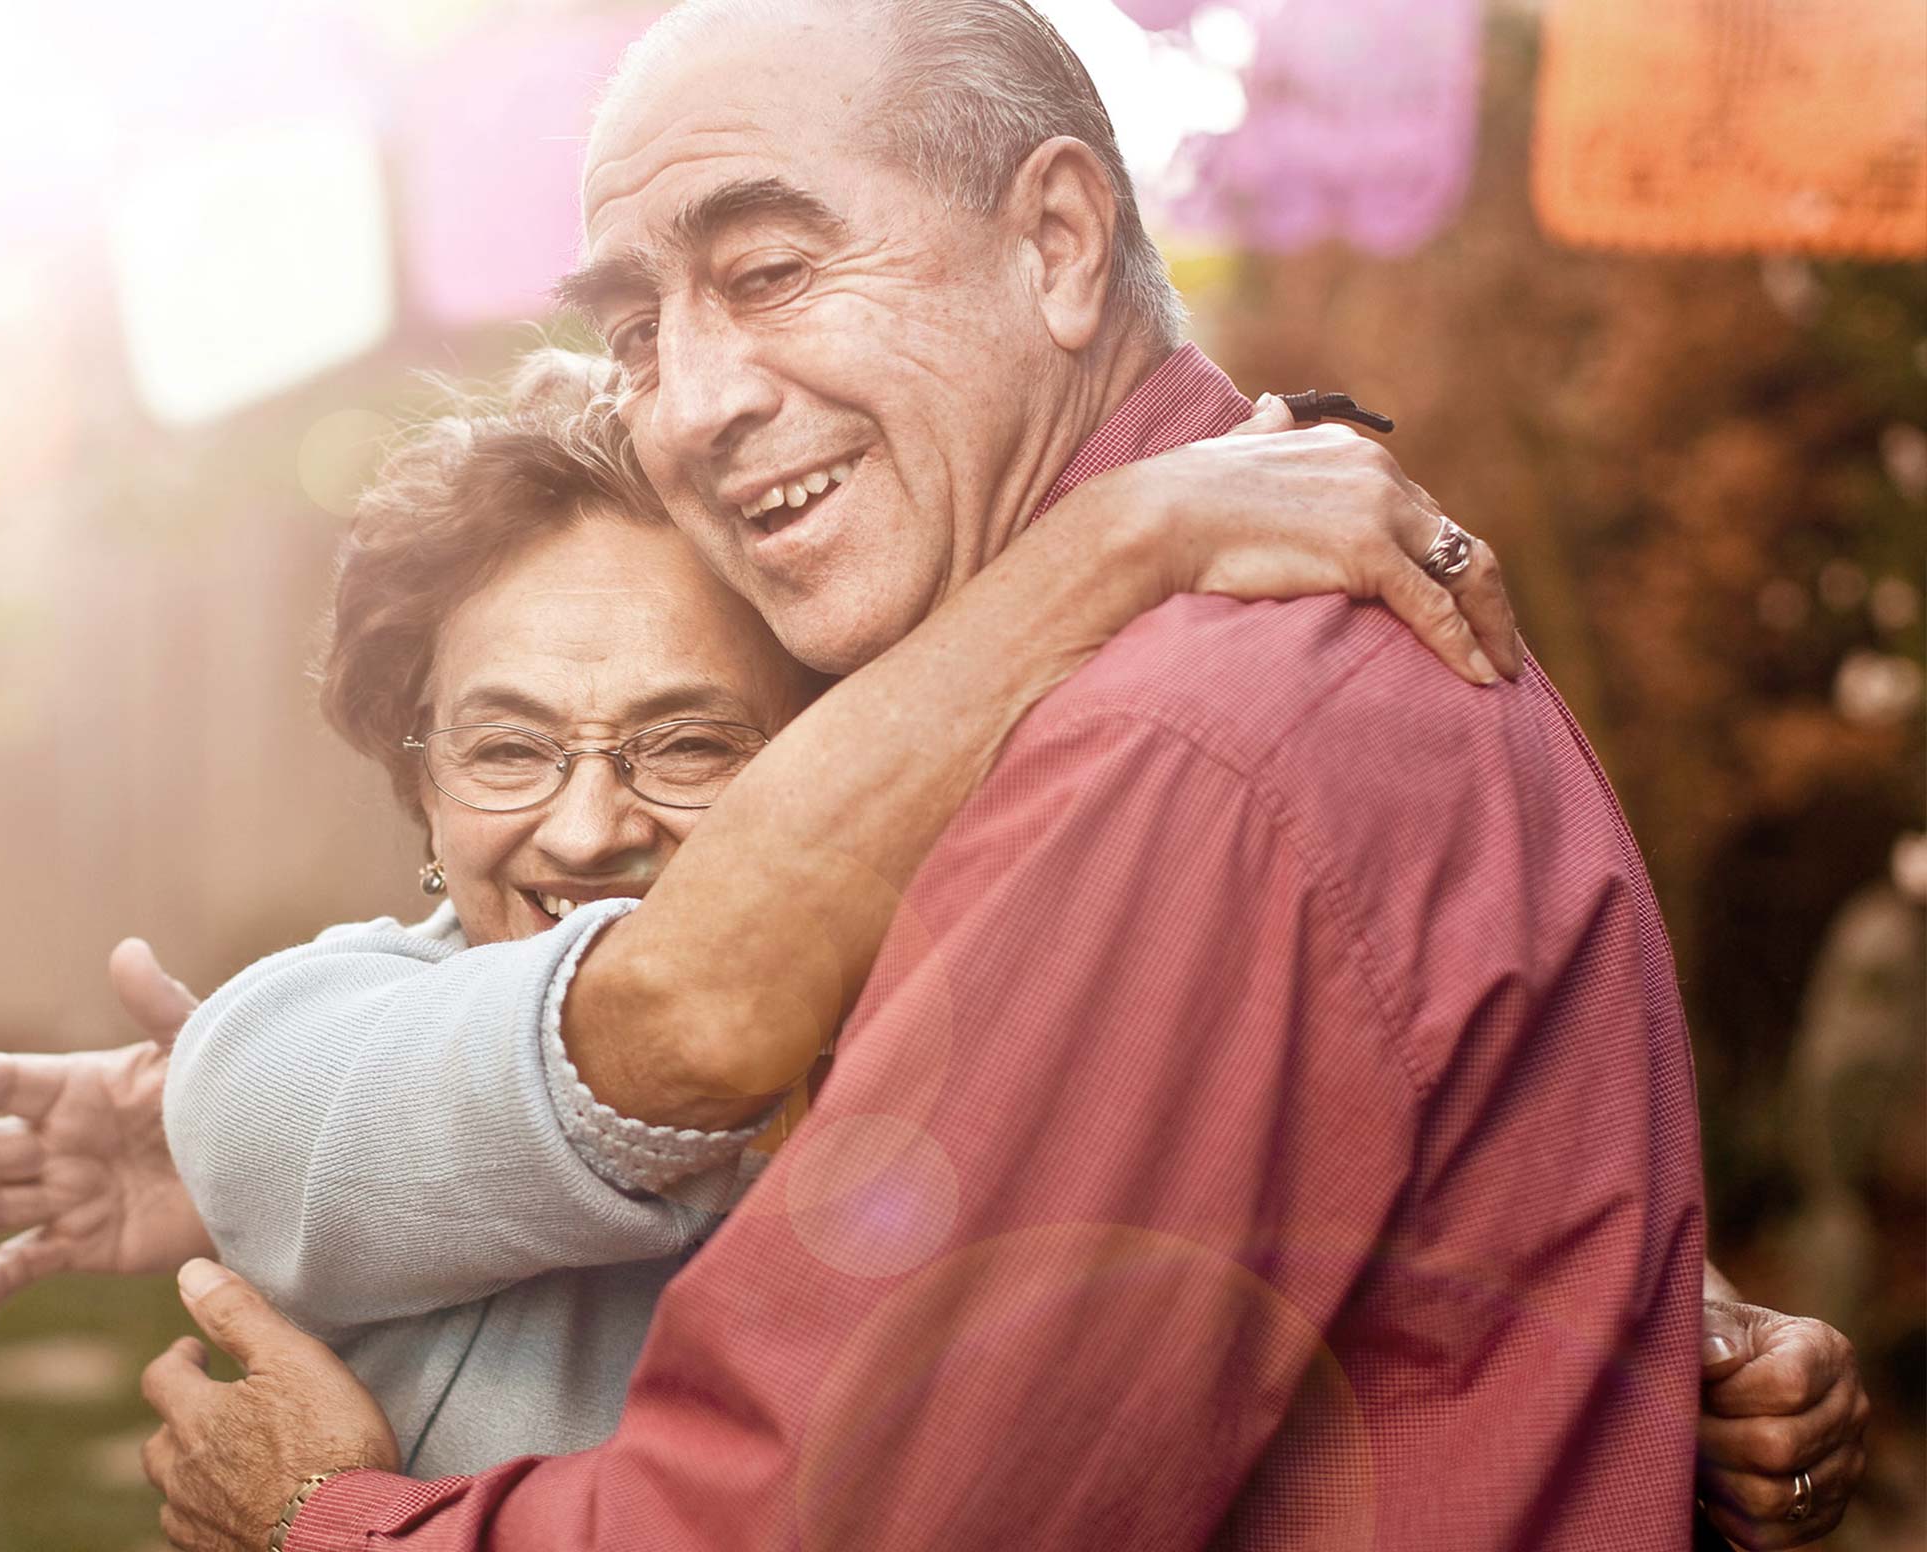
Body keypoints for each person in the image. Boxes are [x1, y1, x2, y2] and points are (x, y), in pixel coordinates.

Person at [100, 3, 1868, 1549]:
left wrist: (322, 1523)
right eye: (640, 328)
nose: (697, 397)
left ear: (1060, 242)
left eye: (772, 269)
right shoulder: (1190, 642)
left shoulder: (1166, 749)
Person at [0, 343, 1520, 1475]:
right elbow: (675, 1025)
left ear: (844, 749)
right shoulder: (256, 1070)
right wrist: (1140, 528)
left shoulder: (979, 1019)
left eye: (687, 744)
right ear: (420, 775)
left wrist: (1677, 1344)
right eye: (506, 747)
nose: (587, 827)